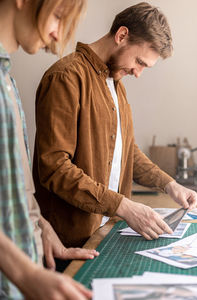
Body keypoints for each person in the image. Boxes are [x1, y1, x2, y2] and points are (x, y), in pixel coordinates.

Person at [33, 2, 197, 251]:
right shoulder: (66, 78)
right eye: (140, 62)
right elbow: (54, 168)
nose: (139, 73)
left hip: (102, 233)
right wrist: (123, 206)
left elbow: (125, 150)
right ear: (121, 36)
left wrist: (169, 184)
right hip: (66, 243)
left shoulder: (115, 85)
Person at [0, 0, 99, 299]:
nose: (57, 35)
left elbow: (10, 189)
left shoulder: (8, 83)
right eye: (57, 16)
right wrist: (25, 273)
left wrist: (40, 228)